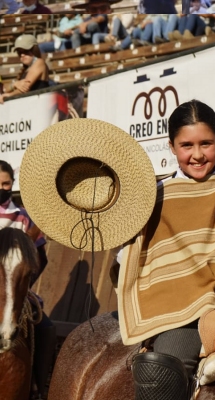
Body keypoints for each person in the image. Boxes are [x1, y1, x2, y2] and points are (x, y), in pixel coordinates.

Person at [114, 100, 215, 399]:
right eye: (186, 145)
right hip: (179, 311)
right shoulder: (155, 197)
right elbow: (128, 255)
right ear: (171, 146)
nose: (197, 154)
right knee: (164, 370)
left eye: (206, 143)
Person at [0, 160, 56, 399]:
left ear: (12, 185)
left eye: (6, 183)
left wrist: (25, 285)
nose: (1, 187)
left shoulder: (23, 217)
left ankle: (38, 388)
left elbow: (39, 257)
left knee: (46, 328)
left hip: (17, 287)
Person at [0, 35, 50, 105]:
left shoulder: (39, 62)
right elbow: (3, 89)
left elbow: (25, 88)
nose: (22, 55)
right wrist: (15, 84)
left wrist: (9, 95)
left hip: (39, 106)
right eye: (19, 52)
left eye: (26, 51)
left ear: (34, 50)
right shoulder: (26, 69)